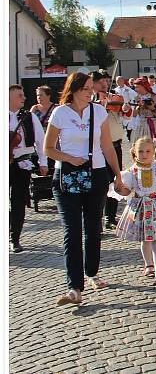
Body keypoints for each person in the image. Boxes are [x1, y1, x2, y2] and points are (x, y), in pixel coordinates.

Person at [44, 72, 127, 306]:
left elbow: (108, 147)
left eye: (92, 87)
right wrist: (69, 158)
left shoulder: (98, 111)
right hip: (67, 176)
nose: (90, 91)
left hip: (96, 174)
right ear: (74, 89)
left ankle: (91, 272)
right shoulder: (60, 113)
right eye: (86, 88)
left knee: (93, 229)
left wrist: (118, 176)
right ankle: (74, 287)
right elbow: (48, 148)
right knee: (72, 230)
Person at [112, 137, 156, 287]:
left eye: (148, 151)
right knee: (144, 239)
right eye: (141, 151)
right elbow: (127, 191)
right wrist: (120, 188)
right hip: (139, 207)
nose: (144, 154)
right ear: (135, 153)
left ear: (154, 151)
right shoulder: (131, 172)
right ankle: (148, 264)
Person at [9, 85, 48, 253]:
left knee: (18, 202)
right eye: (19, 95)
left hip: (22, 164)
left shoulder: (28, 117)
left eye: (23, 95)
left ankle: (14, 237)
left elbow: (41, 140)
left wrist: (43, 161)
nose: (23, 98)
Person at [91, 71, 129, 231]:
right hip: (97, 147)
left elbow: (126, 116)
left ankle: (111, 217)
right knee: (99, 183)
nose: (105, 85)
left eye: (107, 82)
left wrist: (125, 108)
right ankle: (96, 219)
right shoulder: (90, 102)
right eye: (101, 82)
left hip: (115, 144)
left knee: (115, 180)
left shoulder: (114, 98)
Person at [129, 78, 156, 157]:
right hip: (140, 124)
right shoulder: (136, 98)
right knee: (140, 145)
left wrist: (152, 108)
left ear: (144, 86)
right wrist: (136, 108)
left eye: (138, 87)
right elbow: (134, 115)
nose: (136, 89)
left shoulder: (154, 97)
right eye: (135, 87)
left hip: (154, 123)